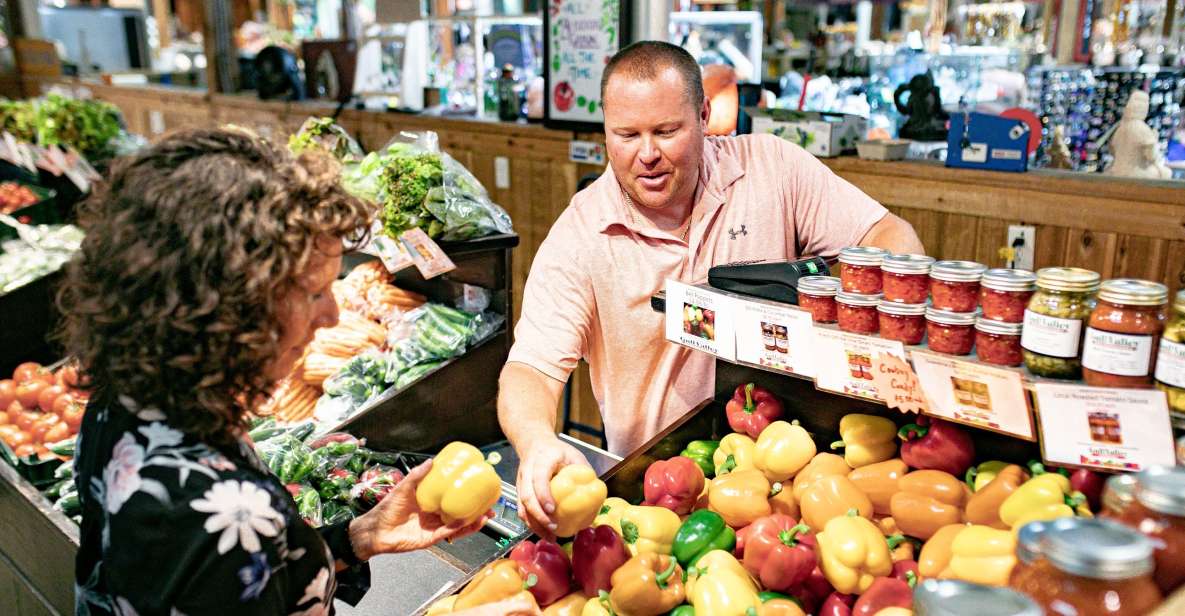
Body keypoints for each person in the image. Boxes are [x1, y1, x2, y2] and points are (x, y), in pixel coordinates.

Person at [59, 128, 537, 616]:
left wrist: (358, 538)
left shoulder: (123, 407)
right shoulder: (222, 511)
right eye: (312, 293)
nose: (331, 315)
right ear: (225, 307)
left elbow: (241, 586)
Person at [498, 41, 923, 537]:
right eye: (627, 135)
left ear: (704, 115)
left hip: (799, 477)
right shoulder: (582, 232)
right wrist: (535, 442)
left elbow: (892, 238)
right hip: (659, 492)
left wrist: (851, 314)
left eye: (666, 131)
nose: (648, 154)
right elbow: (529, 368)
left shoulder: (772, 169)